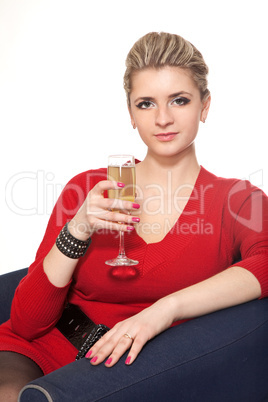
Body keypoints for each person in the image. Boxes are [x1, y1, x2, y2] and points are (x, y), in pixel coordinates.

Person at [0, 31, 267, 401]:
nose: (162, 118)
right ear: (130, 113)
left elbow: (266, 262)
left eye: (179, 100)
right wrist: (78, 228)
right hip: (41, 348)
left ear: (205, 106)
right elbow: (28, 323)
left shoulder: (235, 199)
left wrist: (166, 309)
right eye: (145, 103)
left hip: (128, 370)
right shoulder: (91, 187)